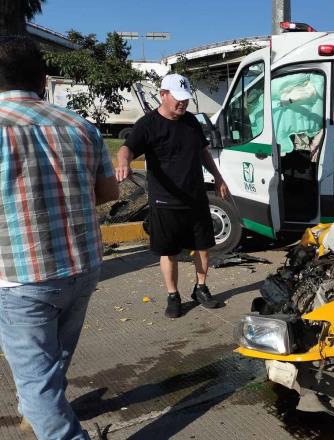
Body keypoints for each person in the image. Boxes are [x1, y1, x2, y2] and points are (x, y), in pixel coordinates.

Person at [0, 36, 119, 439]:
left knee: (36, 384)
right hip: (82, 265)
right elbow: (108, 193)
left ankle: (46, 417)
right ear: (44, 80)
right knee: (56, 359)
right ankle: (39, 411)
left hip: (22, 276)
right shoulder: (80, 125)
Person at [116, 74, 229, 318]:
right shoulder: (148, 124)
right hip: (165, 201)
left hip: (195, 197)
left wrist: (218, 177)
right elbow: (127, 148)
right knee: (170, 252)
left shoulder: (191, 122)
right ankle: (173, 295)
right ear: (163, 95)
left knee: (203, 248)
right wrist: (123, 162)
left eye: (186, 99)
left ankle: (200, 288)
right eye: (178, 99)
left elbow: (202, 152)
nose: (183, 104)